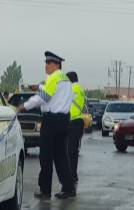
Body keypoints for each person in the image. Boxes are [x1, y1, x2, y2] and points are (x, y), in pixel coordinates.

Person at [18, 51, 76, 200]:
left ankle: (45, 191)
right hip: (64, 121)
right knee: (61, 156)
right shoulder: (67, 80)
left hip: (51, 121)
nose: (46, 66)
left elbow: (43, 97)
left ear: (57, 64)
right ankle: (68, 188)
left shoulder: (54, 77)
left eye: (49, 63)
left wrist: (24, 106)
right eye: (46, 63)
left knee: (46, 156)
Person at [66, 71, 86, 185]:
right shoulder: (80, 88)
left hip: (72, 121)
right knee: (73, 151)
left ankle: (71, 175)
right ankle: (73, 174)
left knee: (70, 151)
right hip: (78, 121)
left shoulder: (73, 88)